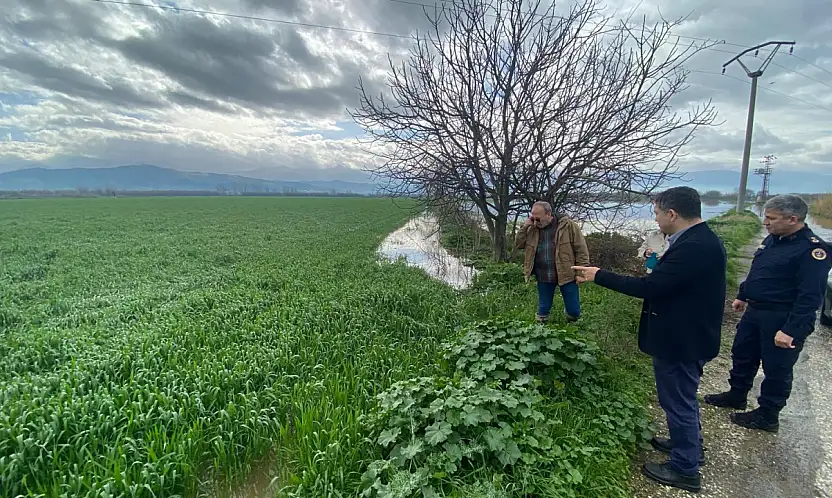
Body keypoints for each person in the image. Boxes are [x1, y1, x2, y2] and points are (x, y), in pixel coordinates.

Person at [572, 187, 727, 493]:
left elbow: (650, 287)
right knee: (683, 397)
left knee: (677, 401)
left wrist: (598, 275)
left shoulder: (694, 247)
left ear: (672, 214)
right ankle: (689, 446)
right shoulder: (701, 240)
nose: (655, 219)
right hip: (689, 335)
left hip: (681, 341)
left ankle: (685, 468)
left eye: (656, 213)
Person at [704, 195, 831, 432]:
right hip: (756, 311)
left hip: (782, 316)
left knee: (777, 368)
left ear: (793, 219)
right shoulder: (774, 239)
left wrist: (790, 330)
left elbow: (810, 296)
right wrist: (743, 294)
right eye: (765, 217)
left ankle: (768, 416)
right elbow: (759, 270)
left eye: (771, 218)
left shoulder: (812, 250)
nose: (765, 222)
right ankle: (737, 395)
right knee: (743, 354)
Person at [514, 201, 590, 323]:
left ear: (548, 214)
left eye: (538, 218)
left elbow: (581, 250)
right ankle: (540, 330)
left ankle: (572, 326)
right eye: (533, 218)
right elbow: (518, 244)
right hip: (543, 274)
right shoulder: (531, 227)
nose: (535, 221)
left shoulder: (568, 226)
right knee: (543, 310)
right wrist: (525, 227)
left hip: (566, 274)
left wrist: (580, 273)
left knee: (574, 311)